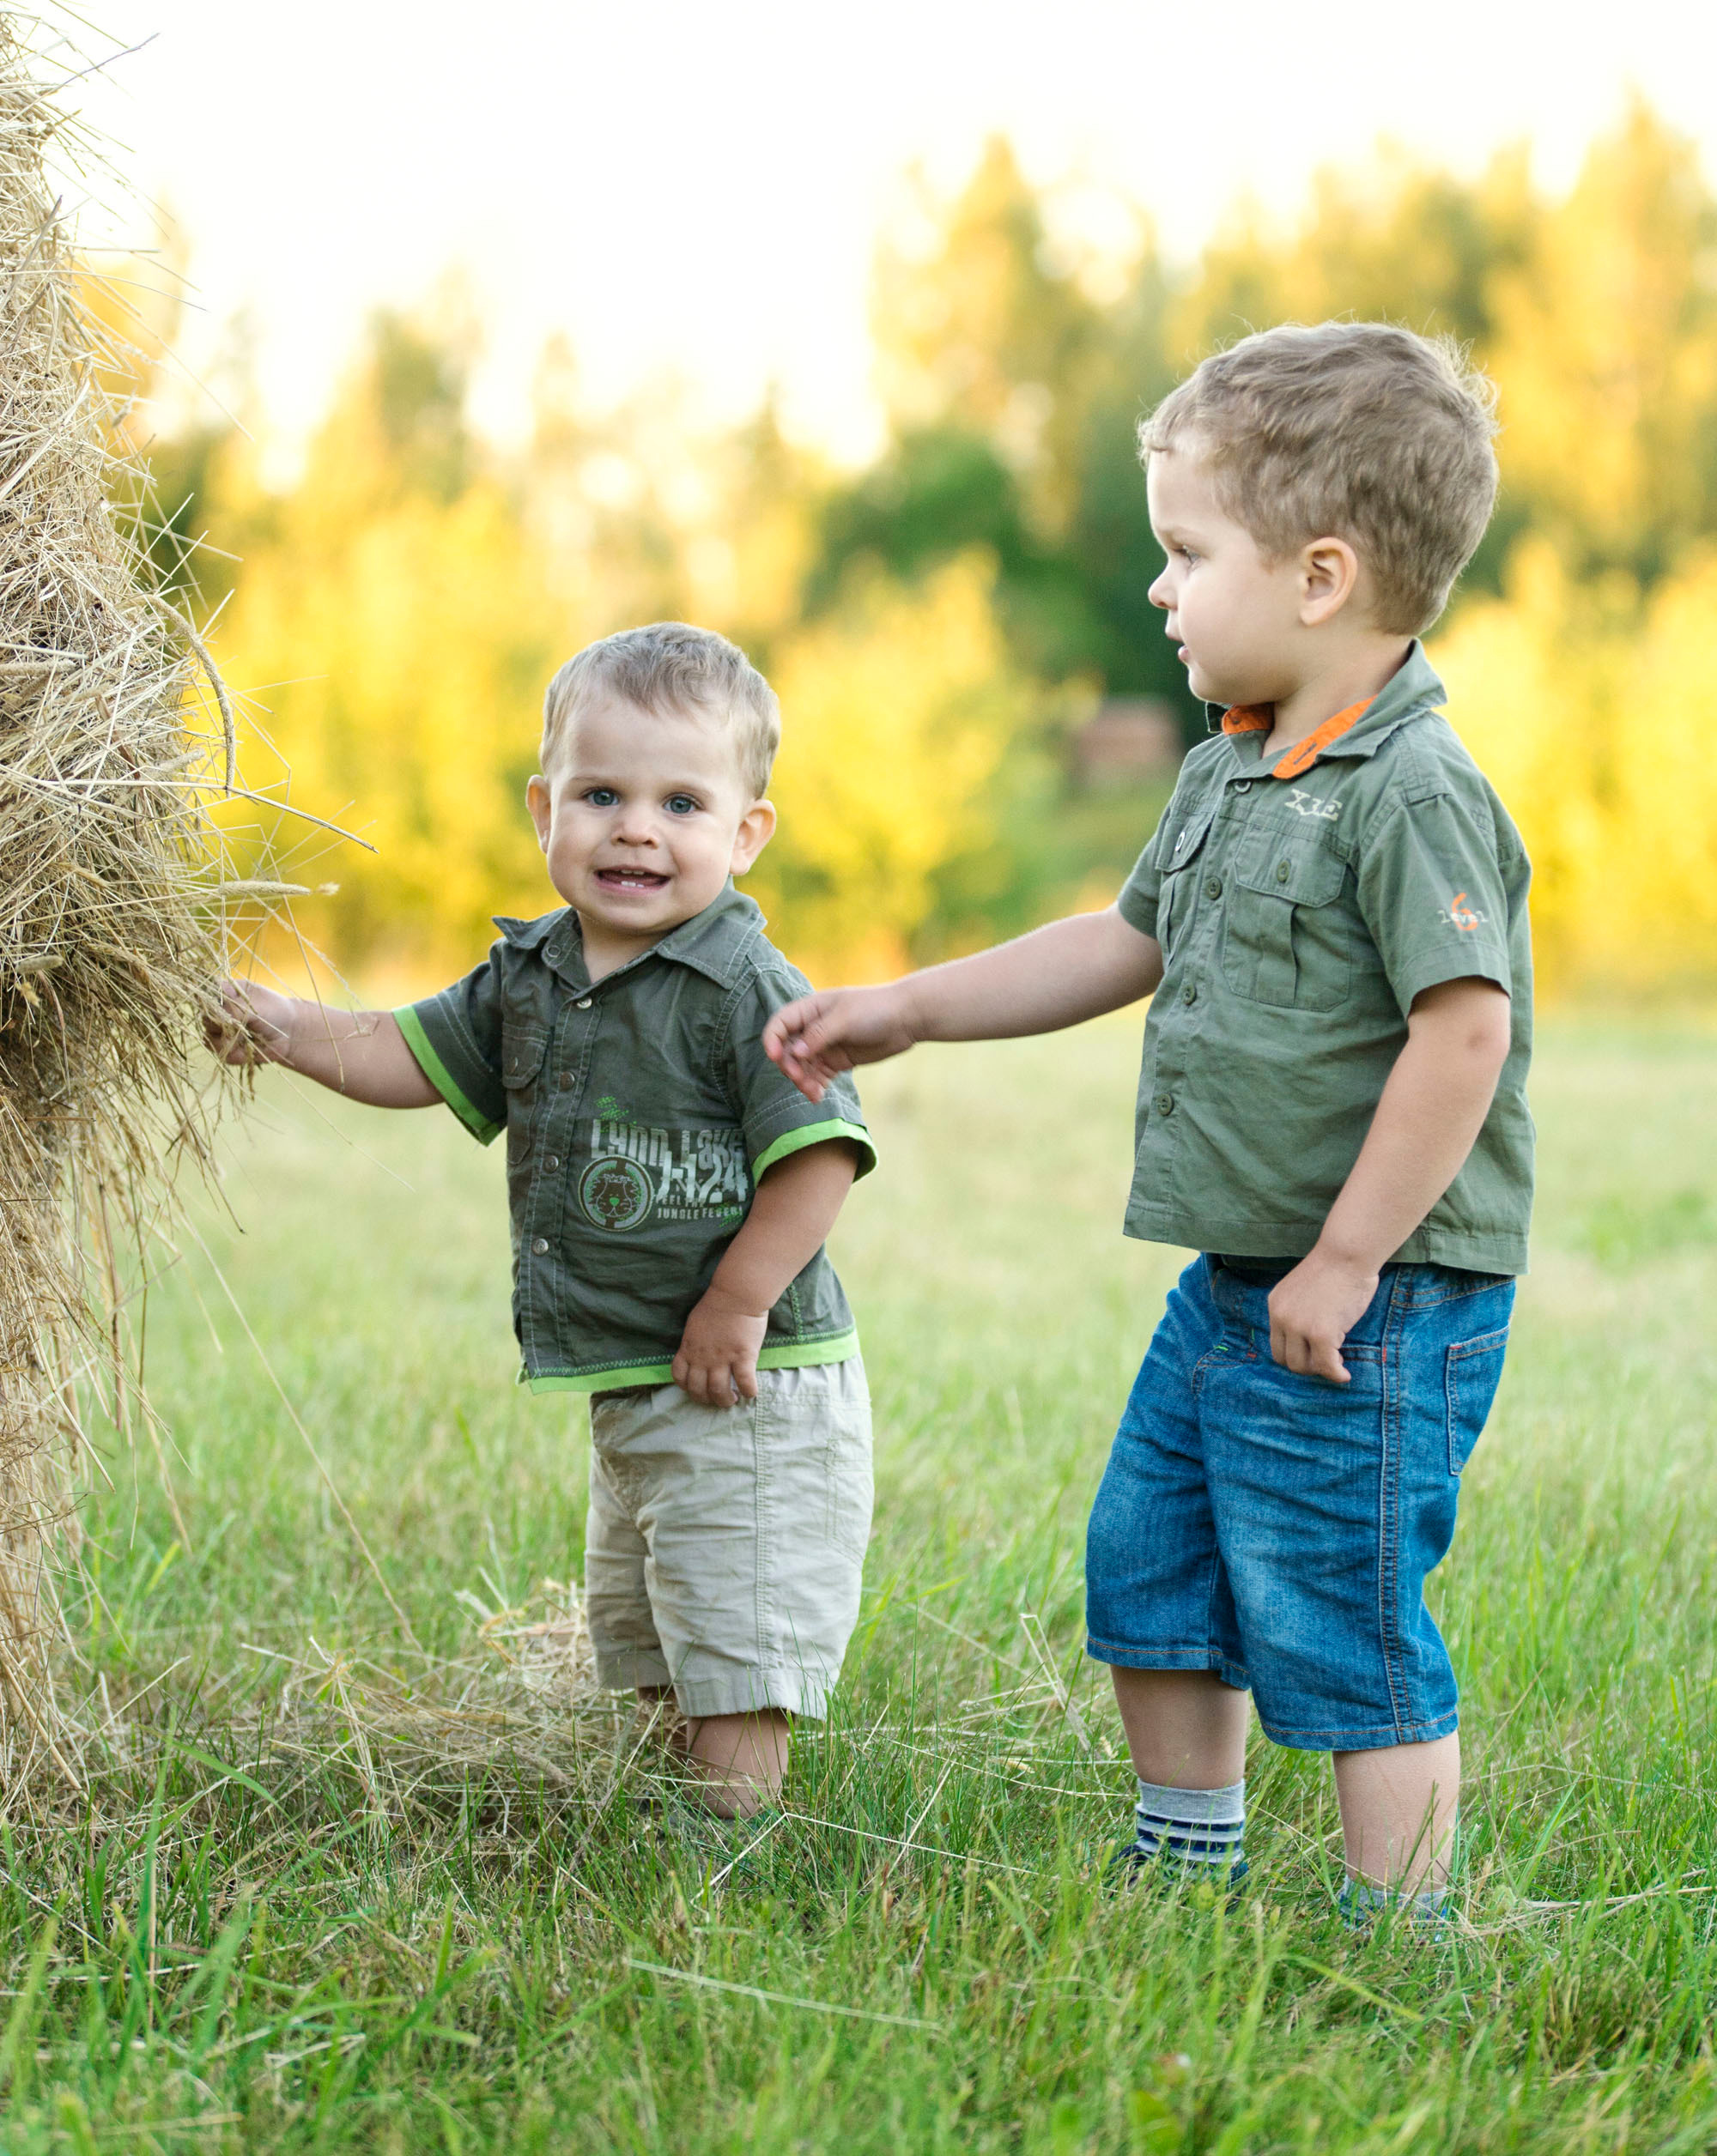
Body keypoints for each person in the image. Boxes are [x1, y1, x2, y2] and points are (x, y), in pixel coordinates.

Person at [764, 323, 1532, 1924]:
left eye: (1187, 555)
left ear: (1320, 578)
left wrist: (1343, 1260)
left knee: (1339, 1603)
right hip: (1238, 1282)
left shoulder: (1412, 789)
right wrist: (904, 1007)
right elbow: (1124, 942)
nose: (1162, 590)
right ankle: (1183, 1862)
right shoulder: (1229, 772)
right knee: (1156, 1562)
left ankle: (1405, 1934)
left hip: (1370, 1299)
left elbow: (1464, 1034)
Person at [213, 623, 877, 1823]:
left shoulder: (747, 988)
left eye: (681, 801)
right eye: (601, 793)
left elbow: (819, 1154)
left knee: (732, 1641)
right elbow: (401, 1054)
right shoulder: (530, 975)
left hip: (752, 1381)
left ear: (745, 832)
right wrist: (280, 1026)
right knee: (653, 1629)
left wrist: (739, 1302)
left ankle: (731, 1855)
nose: (635, 827)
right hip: (634, 1374)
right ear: (544, 809)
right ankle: (672, 1803)